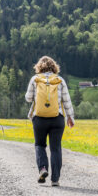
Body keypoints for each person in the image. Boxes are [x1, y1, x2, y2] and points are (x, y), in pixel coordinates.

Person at [24, 56, 74, 186]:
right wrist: (70, 117)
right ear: (54, 67)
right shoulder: (60, 80)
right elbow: (67, 101)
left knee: (39, 145)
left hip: (39, 119)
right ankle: (55, 179)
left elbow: (28, 98)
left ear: (39, 67)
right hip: (57, 119)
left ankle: (43, 169)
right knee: (56, 148)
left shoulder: (35, 79)